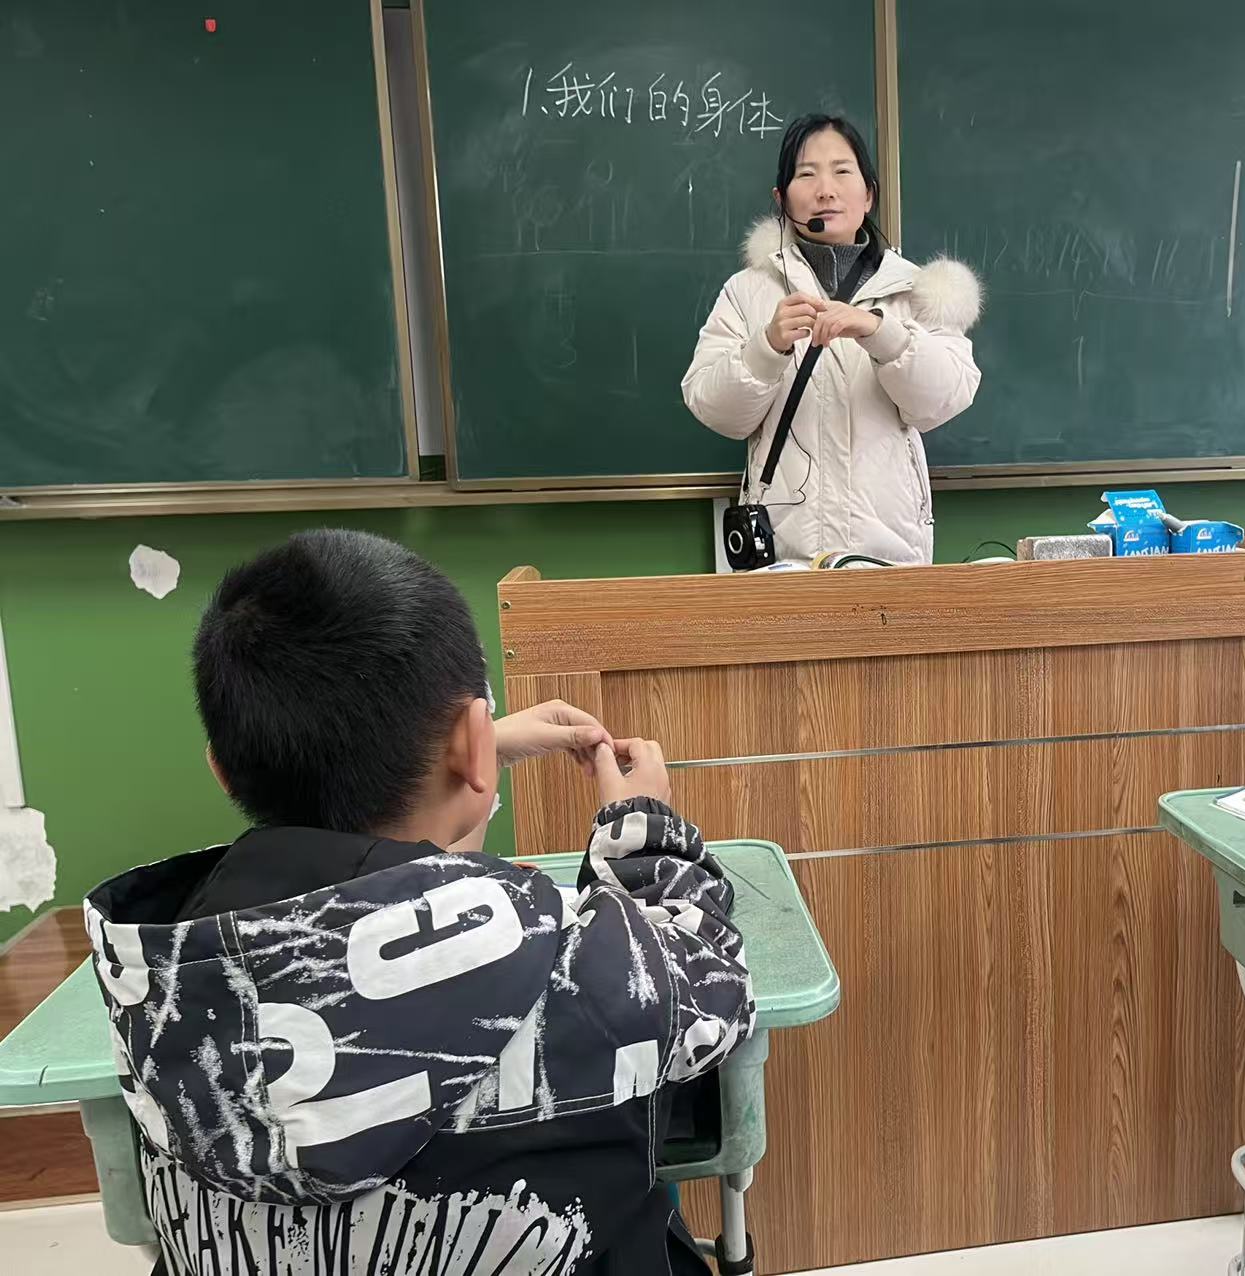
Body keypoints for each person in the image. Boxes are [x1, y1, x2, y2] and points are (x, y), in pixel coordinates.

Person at [81, 530, 754, 1276]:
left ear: (222, 770)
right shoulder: (561, 963)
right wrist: (644, 830)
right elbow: (711, 981)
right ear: (470, 742)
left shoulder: (155, 966)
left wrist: (466, 757)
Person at [682, 114, 983, 567]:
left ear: (869, 194)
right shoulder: (748, 291)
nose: (825, 190)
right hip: (785, 558)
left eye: (842, 171)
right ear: (781, 199)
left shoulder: (916, 291)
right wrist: (766, 348)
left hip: (891, 552)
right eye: (807, 174)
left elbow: (945, 399)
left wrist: (881, 332)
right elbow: (714, 408)